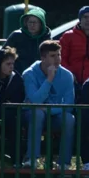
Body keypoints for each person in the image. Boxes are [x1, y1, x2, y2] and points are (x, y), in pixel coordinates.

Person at [22, 40, 75, 169]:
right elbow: (35, 101)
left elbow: (69, 104)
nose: (57, 59)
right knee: (37, 114)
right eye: (52, 56)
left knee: (69, 119)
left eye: (59, 55)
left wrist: (48, 110)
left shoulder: (67, 75)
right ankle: (32, 159)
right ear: (43, 58)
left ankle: (64, 163)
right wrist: (49, 79)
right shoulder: (29, 74)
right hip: (32, 114)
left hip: (53, 113)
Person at [5, 6, 51, 75]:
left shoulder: (46, 38)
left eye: (35, 22)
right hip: (18, 74)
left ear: (41, 24)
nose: (32, 25)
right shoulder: (16, 35)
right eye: (30, 22)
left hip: (40, 75)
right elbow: (4, 54)